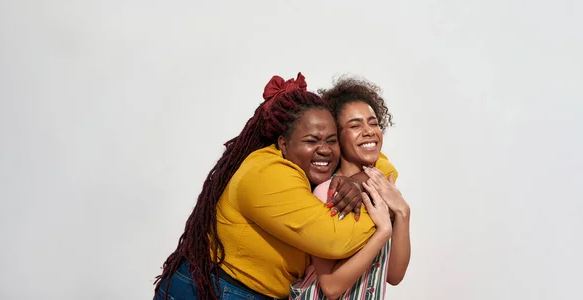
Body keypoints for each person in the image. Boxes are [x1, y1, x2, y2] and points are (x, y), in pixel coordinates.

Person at [153, 73, 399, 299]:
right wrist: (388, 211)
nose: (324, 149)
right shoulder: (268, 173)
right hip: (215, 290)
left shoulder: (318, 169)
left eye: (331, 140)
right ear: (283, 143)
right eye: (311, 140)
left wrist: (362, 179)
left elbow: (379, 161)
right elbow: (334, 241)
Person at [289, 76, 411, 300]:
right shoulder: (326, 192)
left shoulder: (386, 187)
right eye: (355, 125)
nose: (369, 131)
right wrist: (383, 232)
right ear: (337, 136)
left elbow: (393, 275)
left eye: (373, 123)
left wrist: (403, 213)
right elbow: (332, 287)